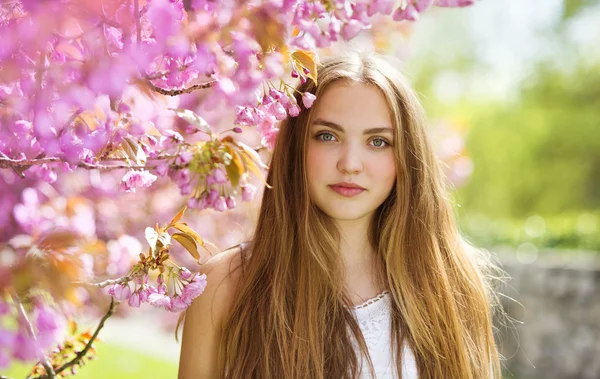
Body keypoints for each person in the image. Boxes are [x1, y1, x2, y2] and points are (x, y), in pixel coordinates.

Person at [178, 51, 503, 379]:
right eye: (327, 136)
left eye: (378, 141)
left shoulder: (451, 284)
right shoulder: (226, 284)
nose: (350, 163)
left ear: (407, 155)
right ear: (297, 147)